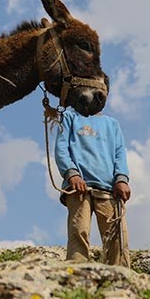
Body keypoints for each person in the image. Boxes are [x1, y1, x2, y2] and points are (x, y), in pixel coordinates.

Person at [54, 106, 131, 267]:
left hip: (108, 188)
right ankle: (76, 272)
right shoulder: (69, 117)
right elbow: (61, 148)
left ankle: (120, 275)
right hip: (79, 188)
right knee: (78, 231)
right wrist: (72, 174)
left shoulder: (112, 124)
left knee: (116, 236)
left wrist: (121, 179)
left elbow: (120, 153)